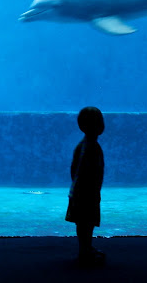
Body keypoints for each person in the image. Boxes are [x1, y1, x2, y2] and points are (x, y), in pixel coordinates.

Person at [65, 106, 105, 266]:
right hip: (85, 193)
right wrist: (87, 190)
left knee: (85, 223)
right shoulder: (89, 146)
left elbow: (74, 169)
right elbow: (82, 170)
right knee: (86, 223)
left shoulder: (85, 145)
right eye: (98, 122)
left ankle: (86, 248)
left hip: (82, 191)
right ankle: (85, 251)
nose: (101, 125)